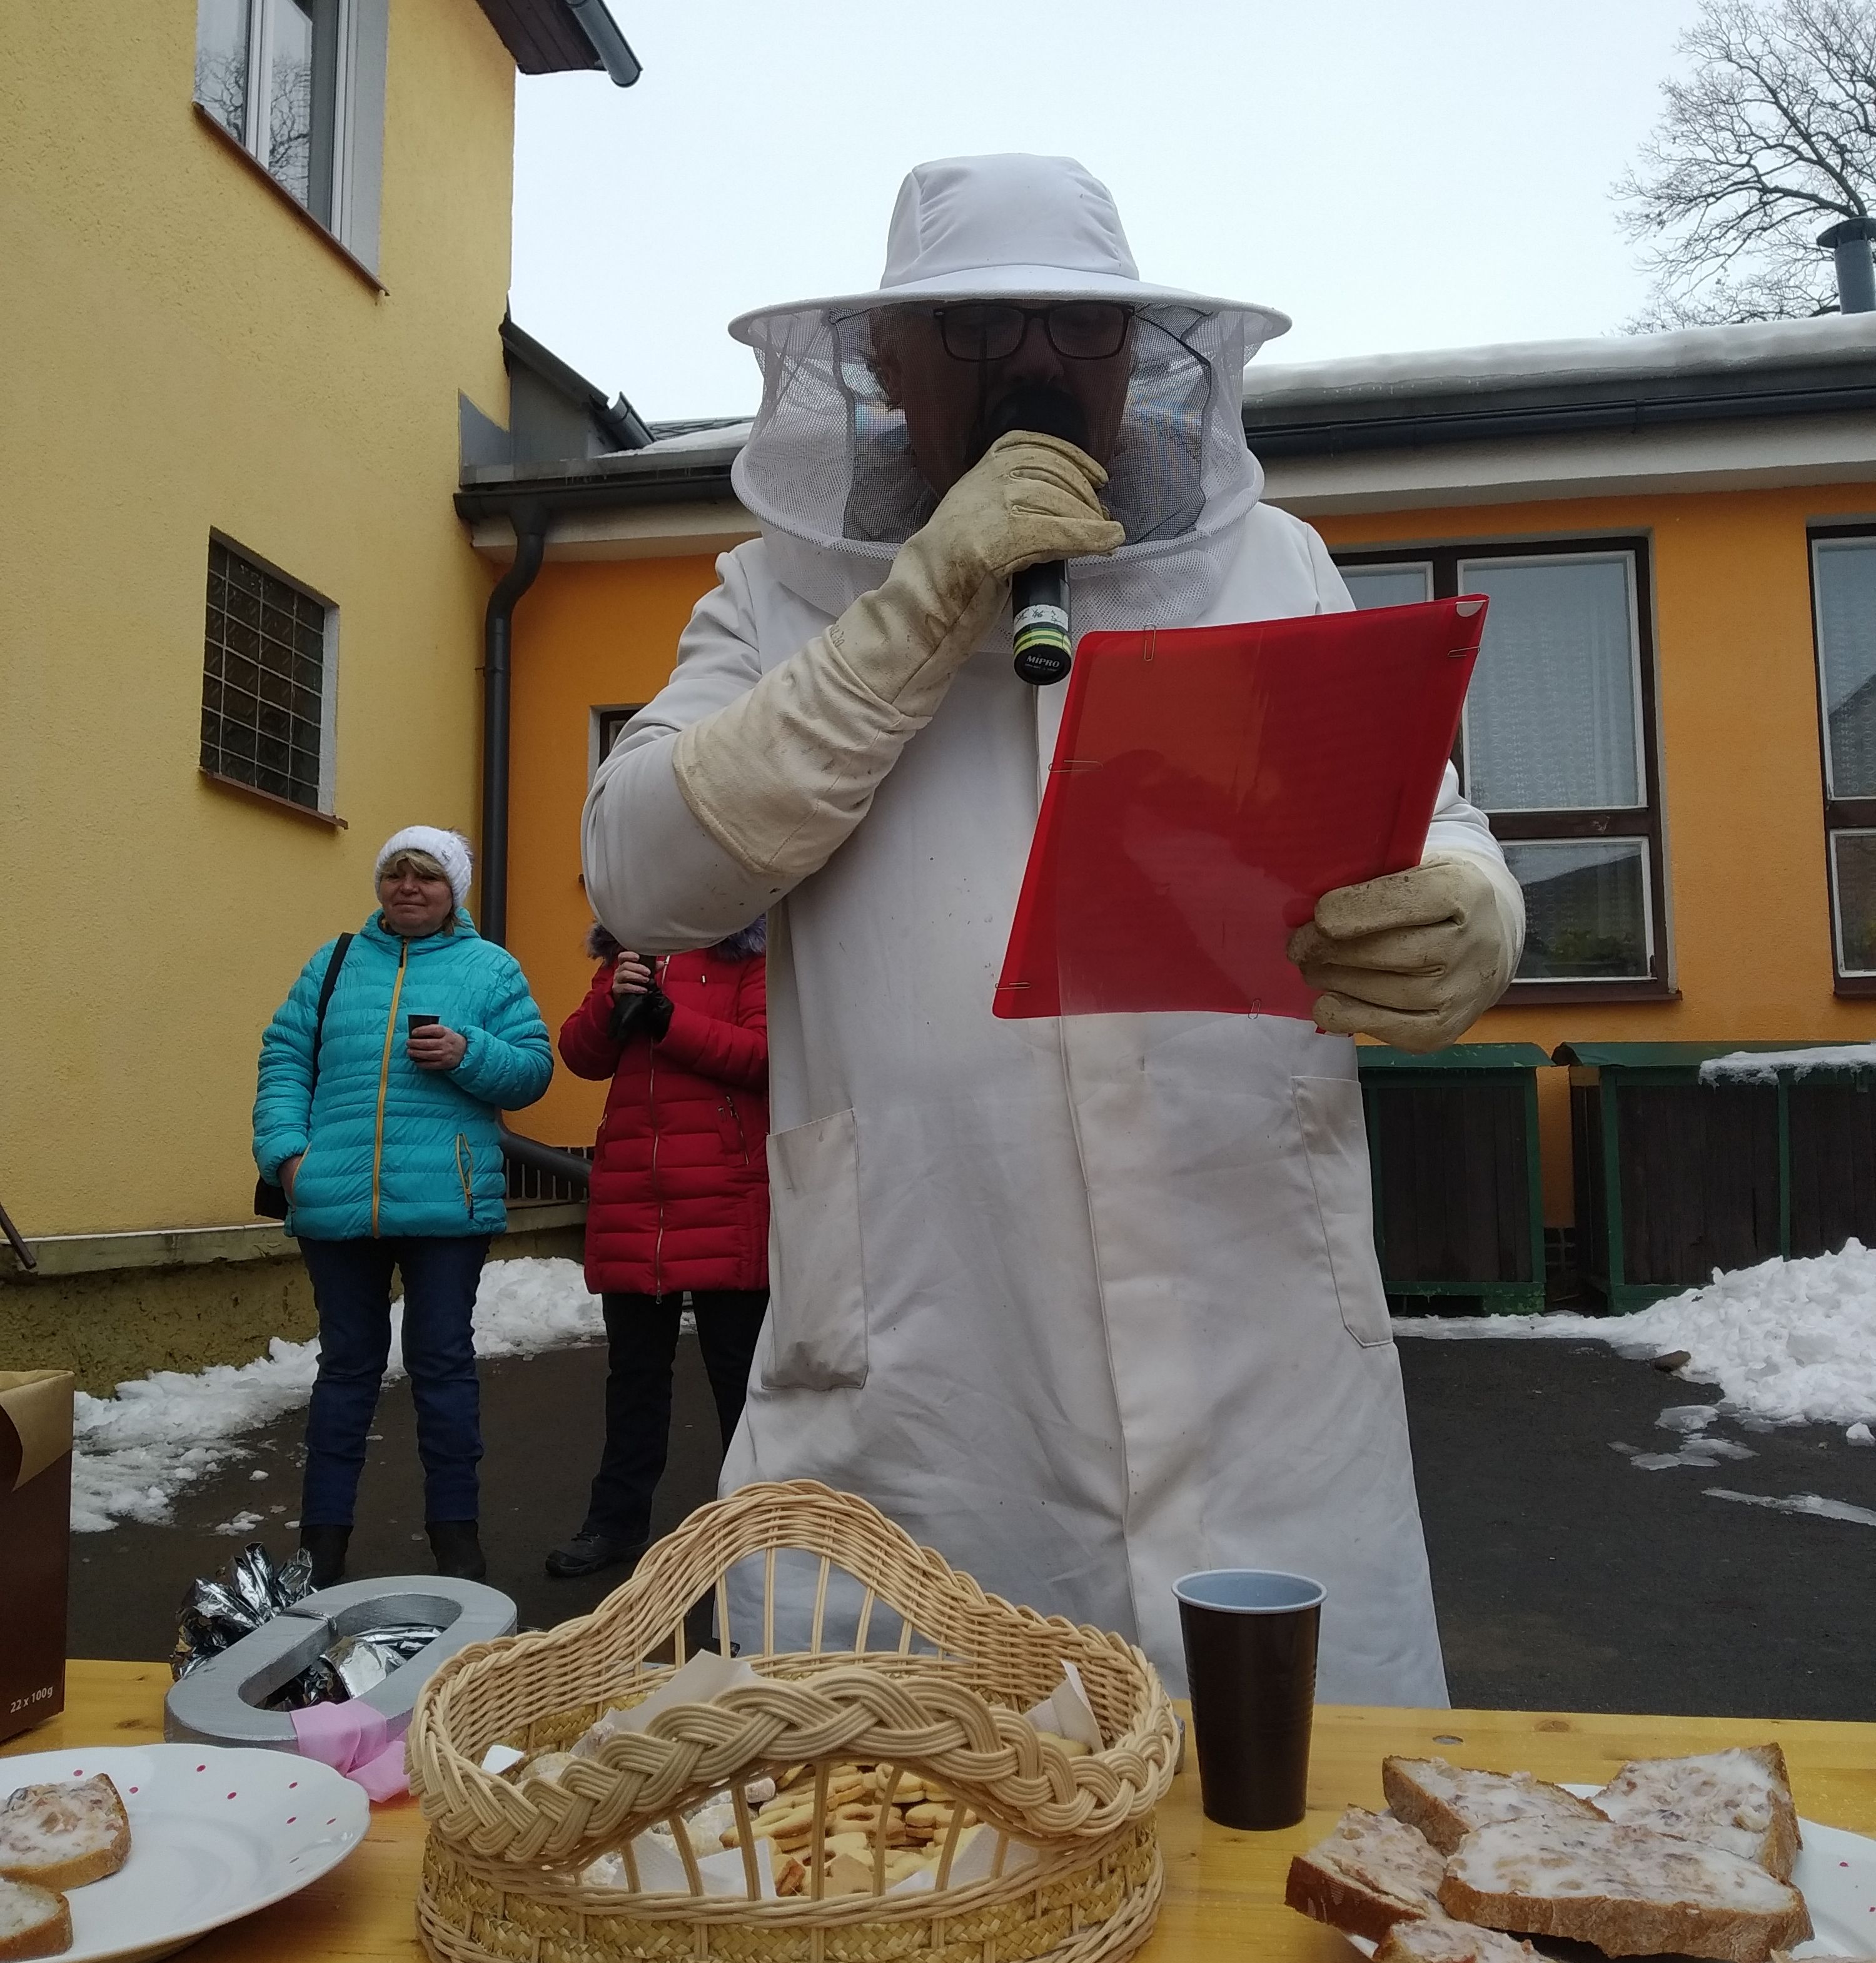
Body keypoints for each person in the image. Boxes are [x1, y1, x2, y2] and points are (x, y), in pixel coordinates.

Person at [580, 154, 1524, 1702]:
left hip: (1265, 1391)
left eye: (1077, 326)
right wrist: (915, 609)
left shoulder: (1268, 562)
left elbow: (1421, 815)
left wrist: (1473, 904)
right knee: (923, 1823)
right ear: (885, 362)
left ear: (1136, 353)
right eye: (974, 326)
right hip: (934, 1410)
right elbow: (642, 870)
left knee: (1294, 1812)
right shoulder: (776, 593)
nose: (1033, 360)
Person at [253, 827, 553, 1587]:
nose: (409, 887)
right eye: (396, 873)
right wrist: (288, 1158)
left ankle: (457, 1540)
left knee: (443, 1368)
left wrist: (468, 1053)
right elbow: (284, 1056)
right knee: (345, 1370)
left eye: (427, 876)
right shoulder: (335, 962)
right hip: (335, 1202)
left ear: (454, 892)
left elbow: (532, 1071)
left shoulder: (491, 969)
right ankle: (321, 1549)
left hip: (447, 1206)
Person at [544, 921, 769, 1579]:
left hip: (725, 1193)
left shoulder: (750, 954)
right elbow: (581, 1055)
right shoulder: (631, 949)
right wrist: (611, 1002)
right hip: (635, 1196)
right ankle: (614, 1524)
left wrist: (671, 1020)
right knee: (634, 1378)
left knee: (739, 1379)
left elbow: (764, 1055)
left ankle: (753, 1525)